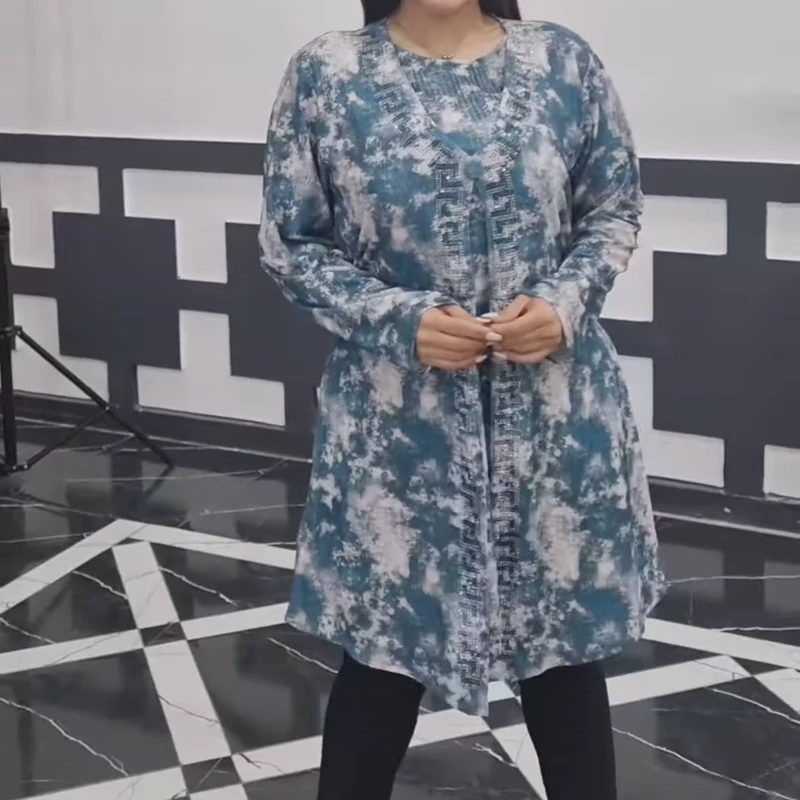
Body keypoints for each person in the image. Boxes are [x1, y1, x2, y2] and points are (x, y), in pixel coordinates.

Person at [259, 0, 665, 797]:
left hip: (554, 422)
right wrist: (397, 319)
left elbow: (612, 209)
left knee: (564, 660)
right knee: (381, 662)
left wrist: (564, 302)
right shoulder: (328, 73)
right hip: (397, 434)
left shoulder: (562, 63)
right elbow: (291, 243)